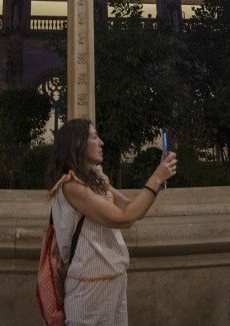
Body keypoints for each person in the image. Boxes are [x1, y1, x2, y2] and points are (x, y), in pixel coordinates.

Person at [47, 118, 178, 326]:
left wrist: (160, 180)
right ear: (76, 143)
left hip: (114, 279)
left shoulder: (96, 179)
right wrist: (156, 178)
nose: (101, 142)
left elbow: (131, 209)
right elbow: (124, 220)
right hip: (90, 287)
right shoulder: (71, 187)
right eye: (93, 137)